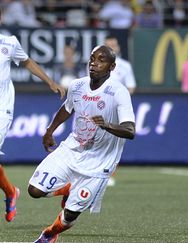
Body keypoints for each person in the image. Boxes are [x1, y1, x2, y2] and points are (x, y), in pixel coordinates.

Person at [0, 2, 65, 229]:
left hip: (1, 109)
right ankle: (11, 192)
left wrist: (50, 82)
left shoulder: (8, 43)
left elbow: (27, 61)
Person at [28, 45, 135, 243]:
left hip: (99, 162)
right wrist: (50, 130)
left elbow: (130, 131)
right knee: (34, 190)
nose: (94, 63)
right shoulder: (77, 85)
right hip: (71, 149)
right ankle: (68, 188)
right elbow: (67, 108)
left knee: (70, 214)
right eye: (92, 59)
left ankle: (50, 234)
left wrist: (107, 125)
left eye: (101, 60)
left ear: (112, 67)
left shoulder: (118, 92)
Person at [104, 34, 136, 186]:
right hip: (99, 106)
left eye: (113, 45)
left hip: (117, 109)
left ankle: (108, 173)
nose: (111, 48)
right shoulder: (95, 63)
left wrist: (120, 98)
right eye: (108, 45)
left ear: (118, 48)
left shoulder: (125, 66)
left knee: (114, 142)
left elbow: (131, 86)